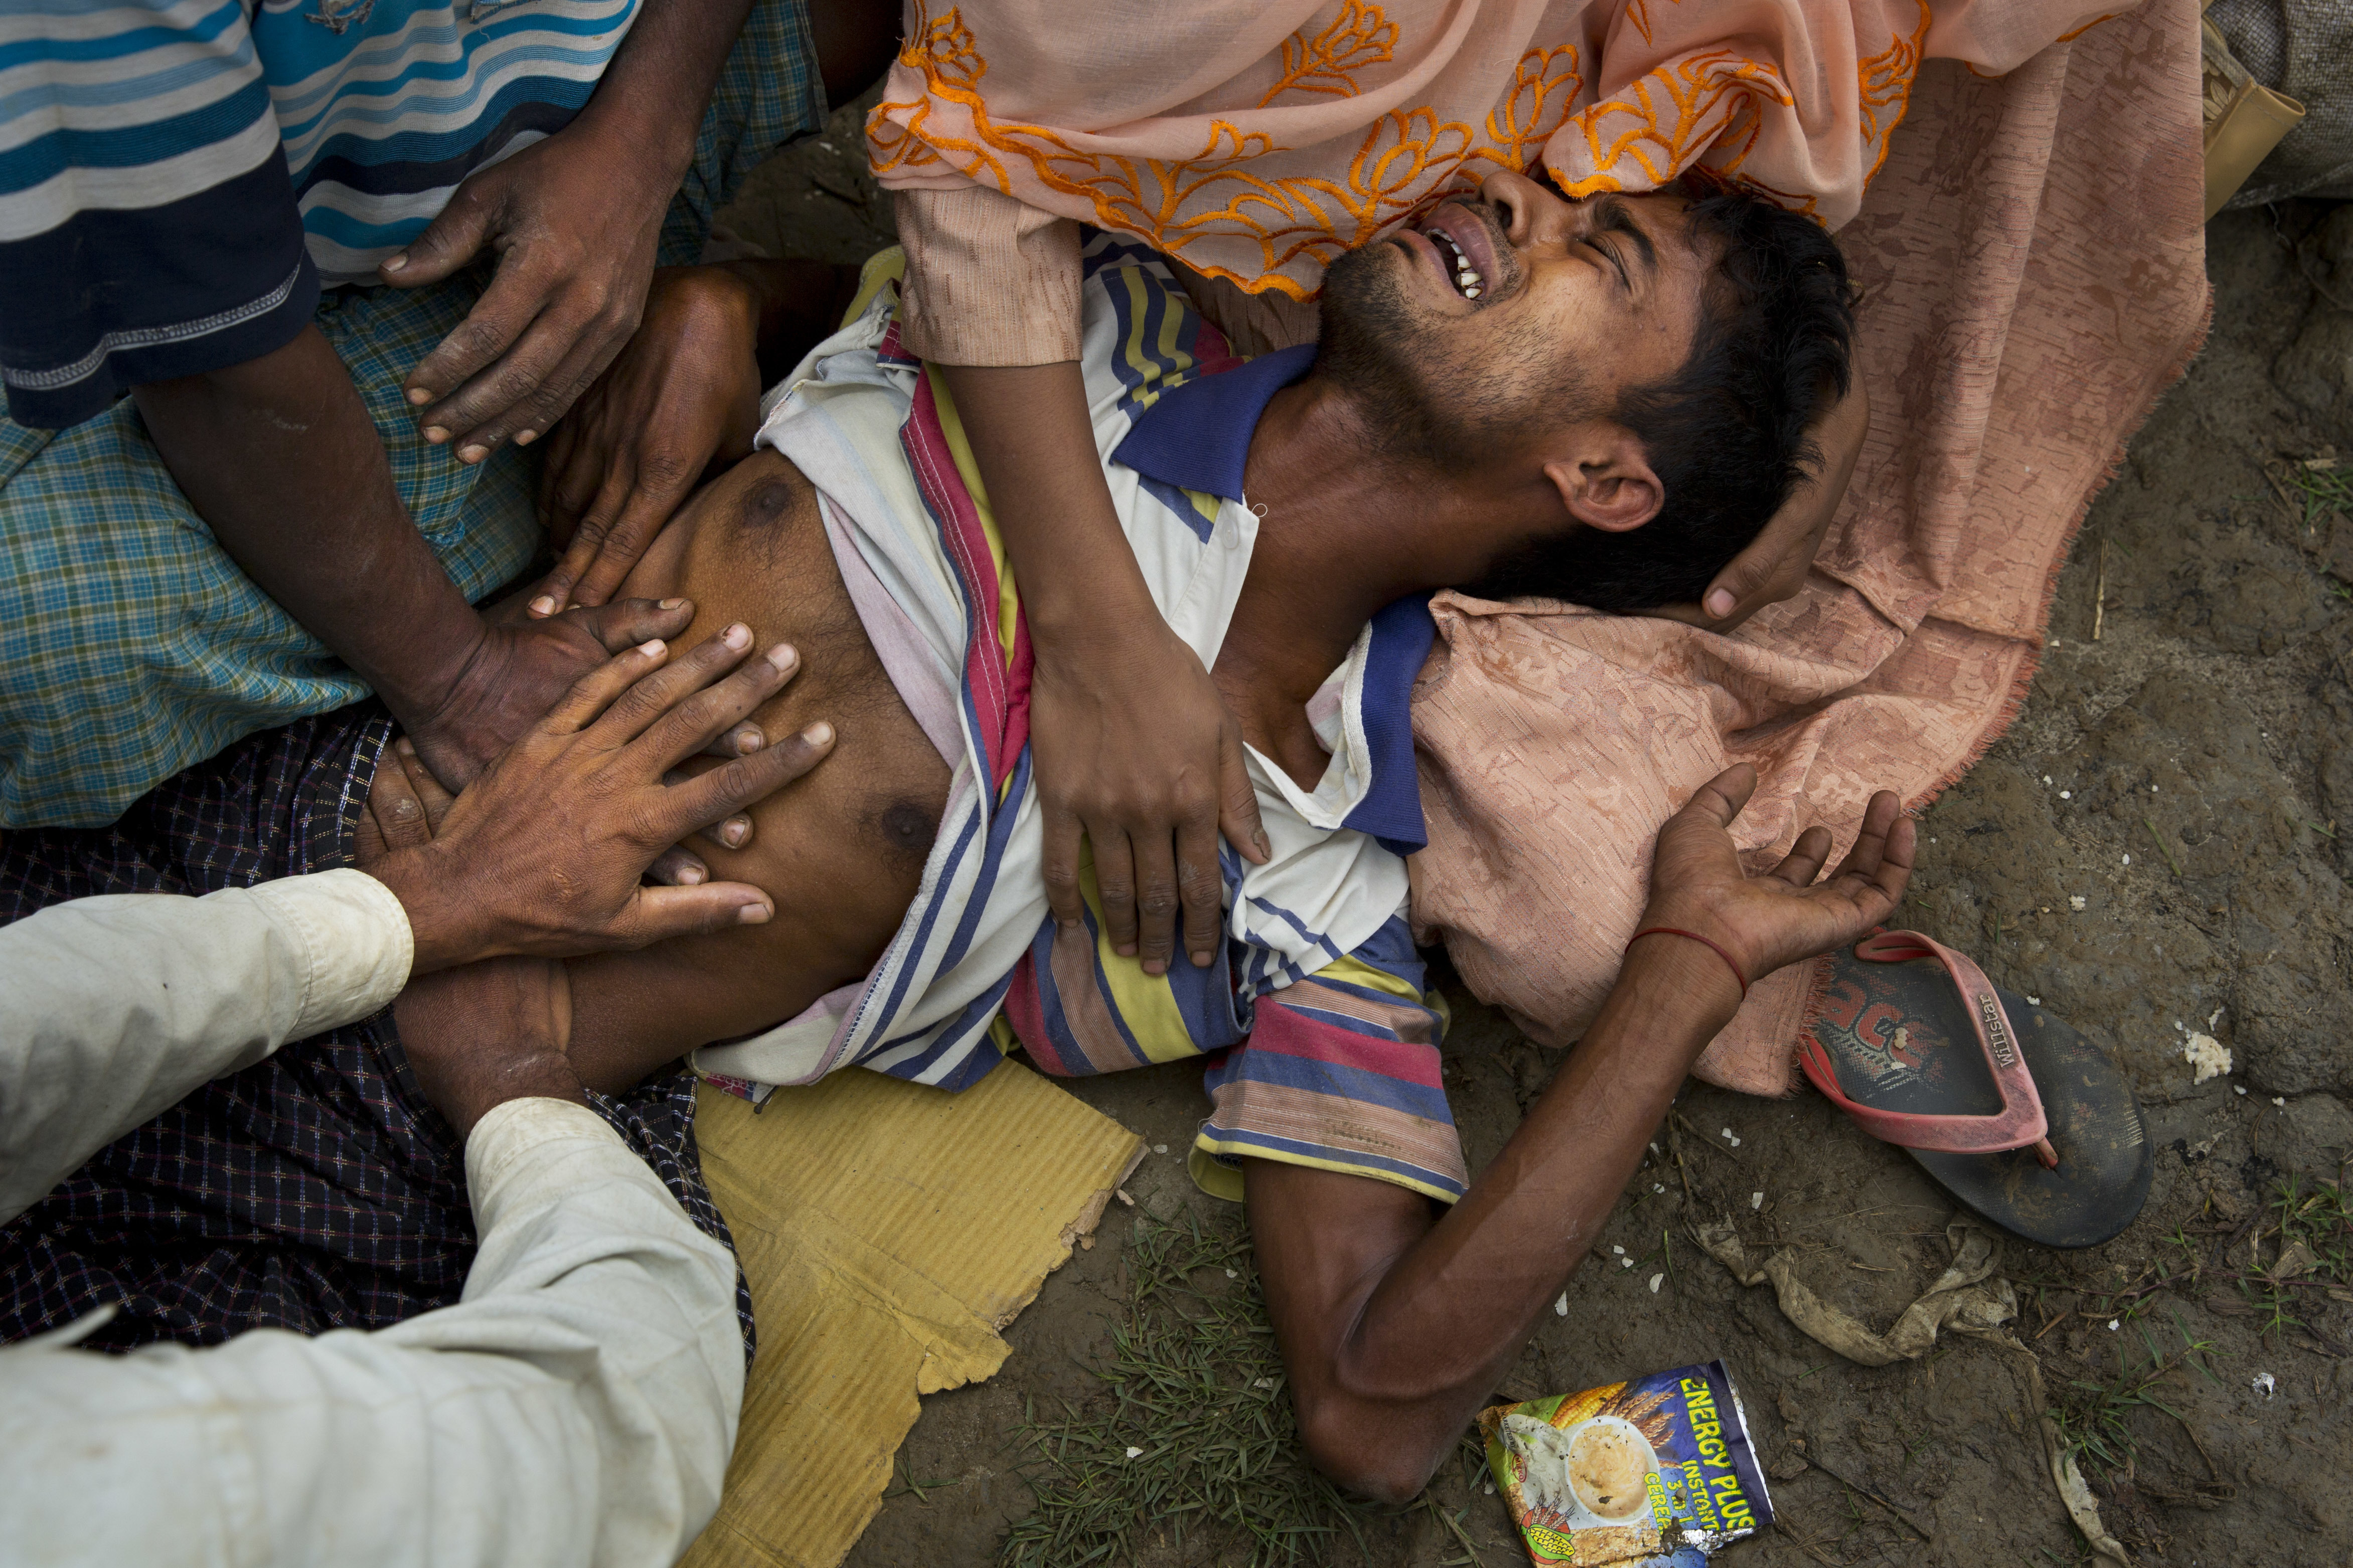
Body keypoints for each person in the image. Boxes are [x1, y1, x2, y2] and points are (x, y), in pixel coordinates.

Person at [0, 618, 836, 1564]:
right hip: (367, 1207)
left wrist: (430, 902)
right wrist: (513, 1080)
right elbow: (608, 1426)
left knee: (404, 811)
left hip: (205, 943)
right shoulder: (115, 1505)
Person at [0, 0, 896, 828]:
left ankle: (754, 289)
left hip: (605, 72)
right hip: (235, 270)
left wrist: (640, 140)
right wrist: (459, 679)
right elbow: (215, 360)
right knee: (44, 645)